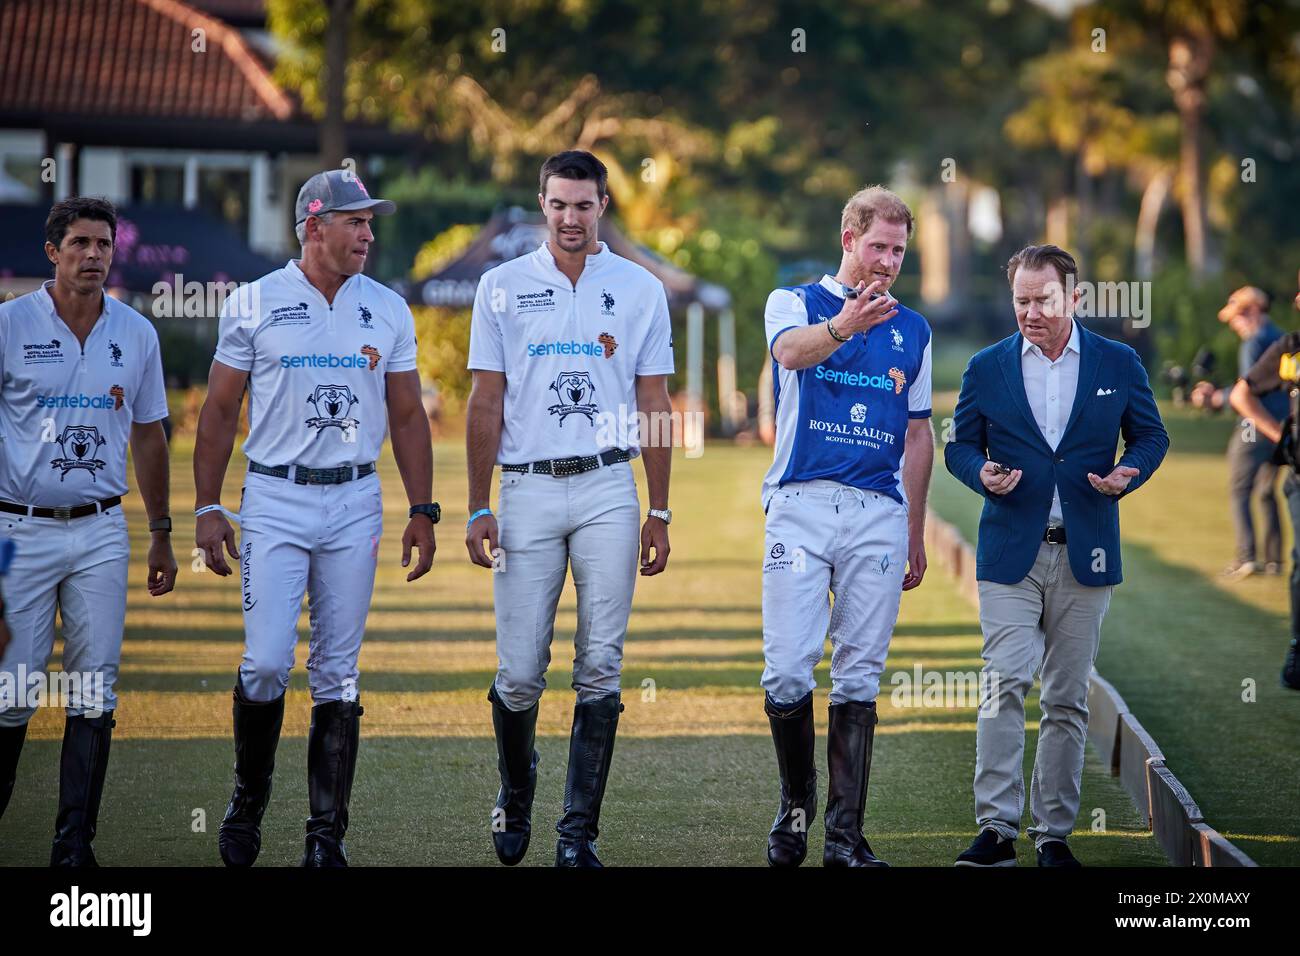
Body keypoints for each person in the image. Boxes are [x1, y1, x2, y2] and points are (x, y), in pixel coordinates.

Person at [194, 170, 438, 867]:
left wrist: (422, 509)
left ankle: (325, 838)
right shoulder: (255, 302)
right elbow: (216, 413)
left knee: (338, 671)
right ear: (312, 225)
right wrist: (209, 507)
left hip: (355, 498)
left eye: (370, 222)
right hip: (275, 496)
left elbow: (407, 415)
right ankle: (248, 799)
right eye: (353, 221)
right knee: (268, 662)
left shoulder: (388, 308)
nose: (367, 233)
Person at [465, 150, 674, 867]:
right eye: (558, 204)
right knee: (521, 672)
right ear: (542, 204)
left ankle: (576, 836)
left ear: (602, 207)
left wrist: (662, 509)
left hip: (610, 488)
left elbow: (655, 403)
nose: (570, 218)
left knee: (601, 665)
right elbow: (484, 399)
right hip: (524, 488)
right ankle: (515, 792)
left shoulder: (641, 288)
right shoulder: (499, 287)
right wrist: (473, 504)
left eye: (583, 205)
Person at [945, 244, 1168, 867]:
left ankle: (1053, 836)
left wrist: (1129, 471)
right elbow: (958, 446)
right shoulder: (987, 367)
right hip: (1010, 555)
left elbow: (1151, 435)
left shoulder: (1117, 361)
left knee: (1067, 698)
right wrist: (979, 471)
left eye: (1044, 299)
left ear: (1074, 297)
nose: (1031, 311)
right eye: (1021, 299)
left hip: (1087, 556)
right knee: (1004, 682)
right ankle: (995, 830)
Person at [760, 185, 933, 867]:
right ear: (848, 239)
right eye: (878, 246)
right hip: (800, 506)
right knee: (787, 672)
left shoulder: (913, 328)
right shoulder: (797, 302)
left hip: (878, 515)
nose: (888, 261)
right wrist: (846, 327)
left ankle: (843, 837)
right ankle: (795, 807)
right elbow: (790, 355)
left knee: (860, 675)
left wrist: (915, 530)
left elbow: (919, 436)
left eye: (898, 249)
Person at [0, 197, 177, 865]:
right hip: (17, 528)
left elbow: (150, 434)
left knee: (93, 687)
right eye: (79, 243)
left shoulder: (136, 333)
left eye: (103, 244)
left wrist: (161, 530)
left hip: (103, 528)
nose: (93, 255)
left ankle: (73, 846)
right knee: (13, 691)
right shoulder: (10, 325)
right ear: (52, 251)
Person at [1229, 268, 1300, 691]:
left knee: (1246, 490)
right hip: (1296, 466)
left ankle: (1252, 554)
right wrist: (1284, 438)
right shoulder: (1287, 345)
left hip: (1256, 436)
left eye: (1239, 314)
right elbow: (1243, 390)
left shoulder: (1261, 337)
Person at [1191, 286, 1286, 579]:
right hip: (1282, 426)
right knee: (1268, 491)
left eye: (1237, 317)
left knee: (1240, 489)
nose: (1234, 324)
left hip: (1255, 426)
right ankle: (1274, 560)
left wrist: (1216, 397)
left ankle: (1246, 557)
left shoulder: (1255, 342)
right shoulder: (1281, 337)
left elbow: (1249, 390)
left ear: (1253, 311)